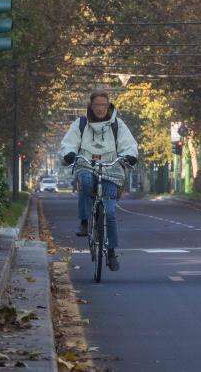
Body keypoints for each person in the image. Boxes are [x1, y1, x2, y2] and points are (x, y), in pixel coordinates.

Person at [59, 90, 138, 271]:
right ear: (91, 106)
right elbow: (68, 143)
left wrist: (130, 156)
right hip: (86, 165)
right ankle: (85, 221)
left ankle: (111, 252)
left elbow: (129, 144)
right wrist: (69, 154)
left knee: (109, 213)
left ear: (108, 105)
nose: (100, 109)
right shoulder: (81, 124)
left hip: (112, 170)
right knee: (85, 181)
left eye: (104, 105)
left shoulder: (117, 125)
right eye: (97, 105)